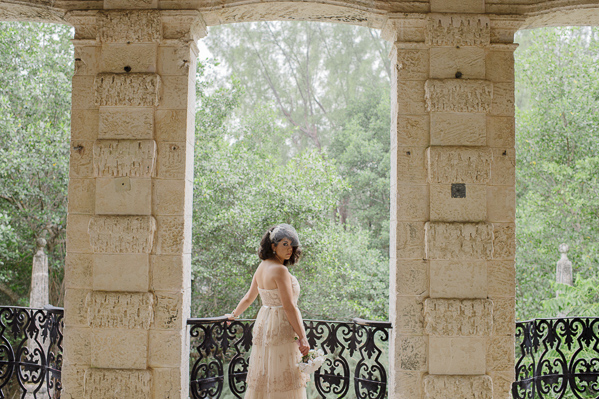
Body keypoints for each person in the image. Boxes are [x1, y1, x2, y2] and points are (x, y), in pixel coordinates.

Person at [226, 224, 310, 399]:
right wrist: (302, 338)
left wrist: (234, 315)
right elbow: (289, 307)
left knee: (269, 373)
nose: (290, 249)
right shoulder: (280, 270)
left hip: (265, 323)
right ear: (273, 246)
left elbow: (249, 297)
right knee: (284, 374)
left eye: (291, 244)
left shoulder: (262, 266)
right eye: (284, 244)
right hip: (281, 325)